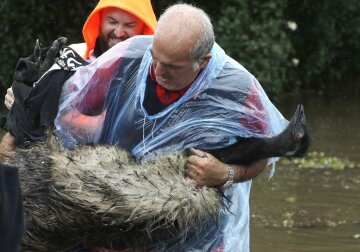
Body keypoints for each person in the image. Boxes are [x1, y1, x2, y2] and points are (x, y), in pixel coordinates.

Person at [55, 3, 287, 251]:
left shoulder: (236, 90)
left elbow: (262, 154)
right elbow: (68, 111)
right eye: (155, 58)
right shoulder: (129, 57)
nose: (157, 71)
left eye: (173, 66)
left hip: (196, 238)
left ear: (202, 60)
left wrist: (226, 174)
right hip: (116, 228)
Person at [0, 0, 157, 152]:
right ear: (99, 21)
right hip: (47, 157)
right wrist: (22, 99)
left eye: (129, 25)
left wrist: (27, 106)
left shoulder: (150, 76)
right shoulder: (73, 54)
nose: (119, 32)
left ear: (145, 28)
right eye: (112, 22)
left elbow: (115, 127)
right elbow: (30, 98)